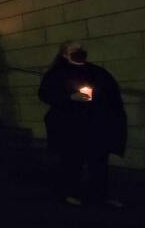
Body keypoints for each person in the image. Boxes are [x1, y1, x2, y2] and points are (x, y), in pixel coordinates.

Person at [38, 42, 127, 207]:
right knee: (72, 161)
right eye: (74, 50)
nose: (79, 52)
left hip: (96, 123)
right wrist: (70, 98)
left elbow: (111, 92)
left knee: (99, 161)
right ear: (64, 54)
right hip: (70, 126)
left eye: (81, 49)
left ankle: (100, 195)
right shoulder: (56, 73)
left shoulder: (96, 71)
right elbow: (45, 94)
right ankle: (71, 193)